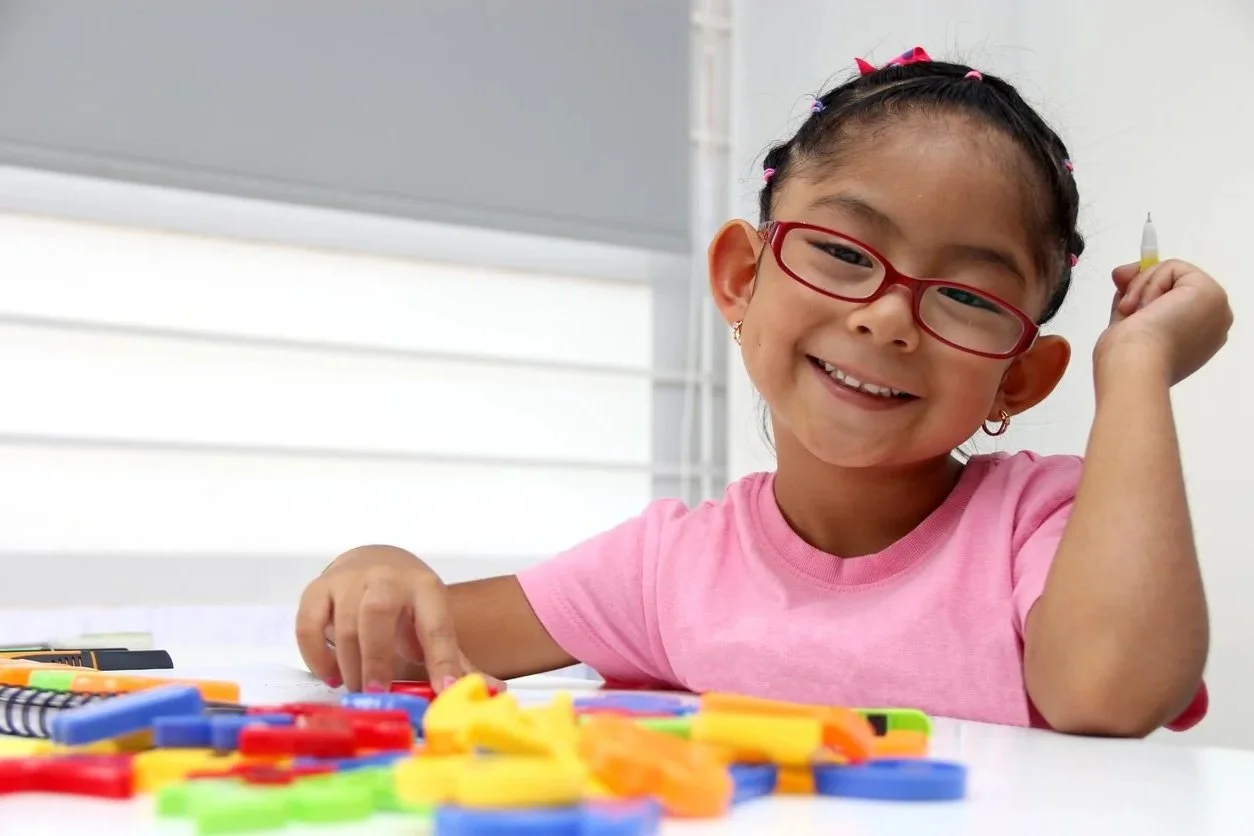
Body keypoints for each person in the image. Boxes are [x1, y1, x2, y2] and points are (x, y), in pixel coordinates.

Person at [295, 47, 1232, 736]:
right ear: (744, 277)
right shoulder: (665, 571)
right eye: (839, 252)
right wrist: (373, 569)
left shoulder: (1044, 527)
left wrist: (1138, 369)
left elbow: (1111, 692)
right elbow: (388, 650)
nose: (888, 319)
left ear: (1020, 378)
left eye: (963, 296)